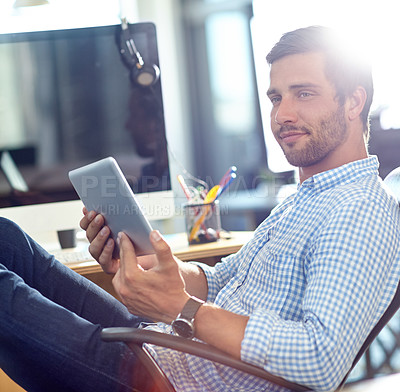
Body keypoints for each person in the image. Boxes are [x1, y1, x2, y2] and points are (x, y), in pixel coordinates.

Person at [0, 25, 399, 392]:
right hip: (163, 348)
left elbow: (319, 359)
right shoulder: (304, 201)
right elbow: (219, 281)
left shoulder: (359, 210)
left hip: (166, 382)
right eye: (276, 98)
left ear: (353, 102)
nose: (282, 114)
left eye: (304, 93)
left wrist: (182, 307)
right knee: (8, 239)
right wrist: (150, 264)